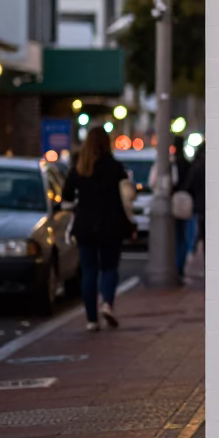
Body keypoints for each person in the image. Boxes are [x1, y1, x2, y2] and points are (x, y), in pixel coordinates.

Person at [63, 128, 134, 331]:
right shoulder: (115, 167)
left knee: (89, 271)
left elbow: (66, 196)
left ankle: (91, 320)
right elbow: (127, 196)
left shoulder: (79, 168)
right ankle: (107, 304)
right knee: (110, 268)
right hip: (111, 225)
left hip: (85, 225)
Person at [172, 136, 195, 276]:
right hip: (186, 201)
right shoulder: (186, 164)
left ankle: (177, 266)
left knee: (177, 236)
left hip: (174, 202)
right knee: (184, 236)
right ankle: (179, 267)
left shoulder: (172, 164)